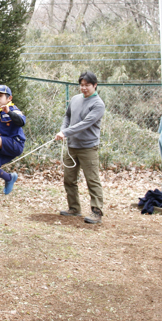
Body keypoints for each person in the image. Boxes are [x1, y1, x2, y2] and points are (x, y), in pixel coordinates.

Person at [55, 71, 105, 224]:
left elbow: (85, 124)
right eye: (81, 85)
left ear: (95, 85)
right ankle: (74, 208)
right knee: (69, 179)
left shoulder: (98, 104)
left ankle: (97, 212)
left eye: (87, 85)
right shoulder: (75, 99)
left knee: (92, 180)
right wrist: (63, 129)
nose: (84, 88)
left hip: (88, 148)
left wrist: (65, 132)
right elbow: (67, 116)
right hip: (72, 146)